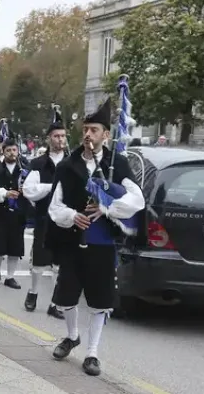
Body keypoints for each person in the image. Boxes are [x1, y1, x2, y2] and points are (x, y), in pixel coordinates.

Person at [45, 99, 144, 377]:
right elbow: (55, 205)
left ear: (106, 135)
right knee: (65, 297)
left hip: (101, 243)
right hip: (72, 241)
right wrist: (71, 216)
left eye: (94, 130)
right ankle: (72, 336)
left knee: (100, 300)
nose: (88, 134)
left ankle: (92, 352)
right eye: (86, 129)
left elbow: (136, 200)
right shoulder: (68, 165)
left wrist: (107, 208)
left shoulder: (117, 163)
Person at [21, 121, 68, 319]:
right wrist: (52, 187)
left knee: (60, 263)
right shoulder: (38, 163)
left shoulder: (72, 161)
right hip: (44, 217)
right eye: (56, 136)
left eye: (63, 136)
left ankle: (55, 303)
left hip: (66, 218)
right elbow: (29, 190)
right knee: (40, 261)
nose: (60, 140)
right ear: (49, 139)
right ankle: (33, 292)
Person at [0, 138, 28, 290]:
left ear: (18, 151)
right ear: (3, 152)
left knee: (15, 247)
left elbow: (32, 189)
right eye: (8, 150)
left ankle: (10, 277)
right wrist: (5, 194)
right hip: (0, 213)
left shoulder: (25, 170)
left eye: (14, 150)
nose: (12, 153)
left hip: (18, 214)